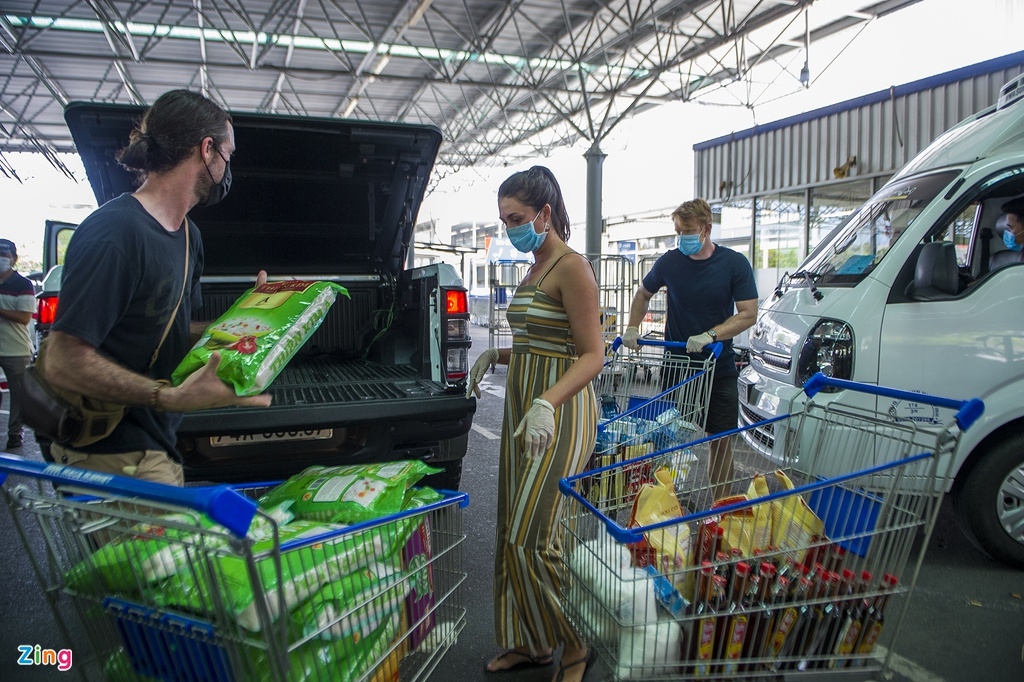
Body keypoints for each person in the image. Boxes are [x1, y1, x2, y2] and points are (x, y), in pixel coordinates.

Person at [44, 89, 271, 486]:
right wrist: (165, 396)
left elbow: (166, 333)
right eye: (228, 155)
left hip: (156, 443)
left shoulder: (188, 237)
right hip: (111, 455)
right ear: (207, 149)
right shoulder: (114, 233)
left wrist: (239, 322)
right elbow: (63, 360)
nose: (228, 166)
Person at [466, 166, 603, 682]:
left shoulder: (572, 268)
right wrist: (497, 356)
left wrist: (546, 400)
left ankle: (574, 647)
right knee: (510, 528)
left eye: (517, 218)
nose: (510, 229)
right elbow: (540, 340)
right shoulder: (534, 265)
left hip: (560, 411)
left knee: (533, 536)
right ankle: (532, 642)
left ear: (545, 213)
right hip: (526, 405)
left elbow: (593, 355)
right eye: (504, 221)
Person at [622, 198, 757, 502]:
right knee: (666, 439)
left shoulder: (733, 264)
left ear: (707, 229)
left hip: (716, 369)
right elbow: (643, 293)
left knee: (720, 442)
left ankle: (720, 510)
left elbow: (748, 313)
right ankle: (661, 506)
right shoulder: (669, 262)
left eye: (687, 231)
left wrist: (712, 335)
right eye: (677, 231)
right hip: (677, 369)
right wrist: (632, 327)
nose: (681, 237)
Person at [0, 239, 38, 449]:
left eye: (4, 256)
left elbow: (24, 317)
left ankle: (15, 434)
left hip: (15, 348)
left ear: (14, 259)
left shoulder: (24, 285)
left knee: (18, 395)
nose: (1, 260)